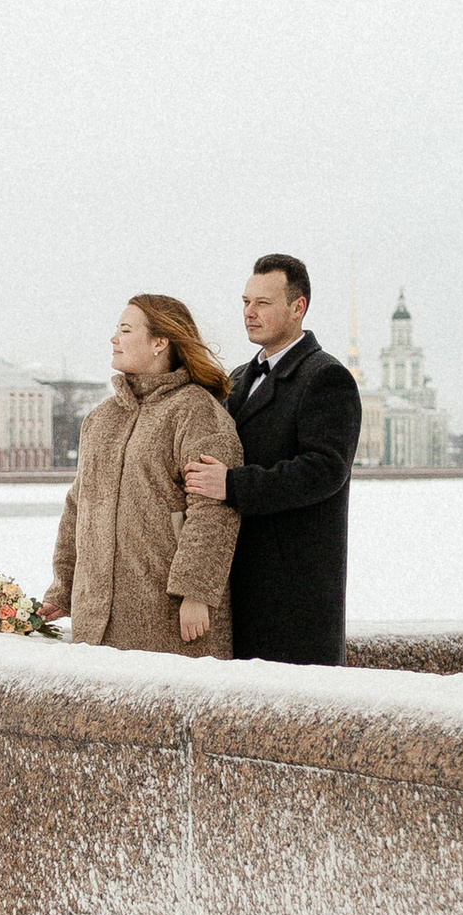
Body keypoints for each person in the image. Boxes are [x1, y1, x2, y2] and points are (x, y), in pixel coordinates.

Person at [181, 254, 361, 664]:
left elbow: (324, 471)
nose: (249, 312)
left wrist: (231, 485)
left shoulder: (326, 378)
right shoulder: (239, 377)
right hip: (236, 584)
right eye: (245, 302)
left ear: (298, 307)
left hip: (294, 595)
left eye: (262, 303)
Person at [42, 296, 243, 653]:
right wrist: (63, 589)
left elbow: (212, 509)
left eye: (125, 330)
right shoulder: (100, 419)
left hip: (167, 614)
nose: (113, 339)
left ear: (159, 342)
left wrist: (196, 593)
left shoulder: (196, 411)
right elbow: (78, 508)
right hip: (94, 619)